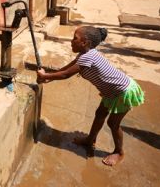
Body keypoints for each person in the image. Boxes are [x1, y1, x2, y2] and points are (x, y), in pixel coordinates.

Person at [37, 26, 144, 166]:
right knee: (99, 114)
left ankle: (119, 152)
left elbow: (66, 75)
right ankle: (90, 139)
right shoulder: (85, 54)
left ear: (85, 42)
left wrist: (45, 75)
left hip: (123, 91)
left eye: (74, 38)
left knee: (113, 123)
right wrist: (49, 77)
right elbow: (65, 69)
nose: (71, 41)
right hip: (111, 92)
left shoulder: (87, 58)